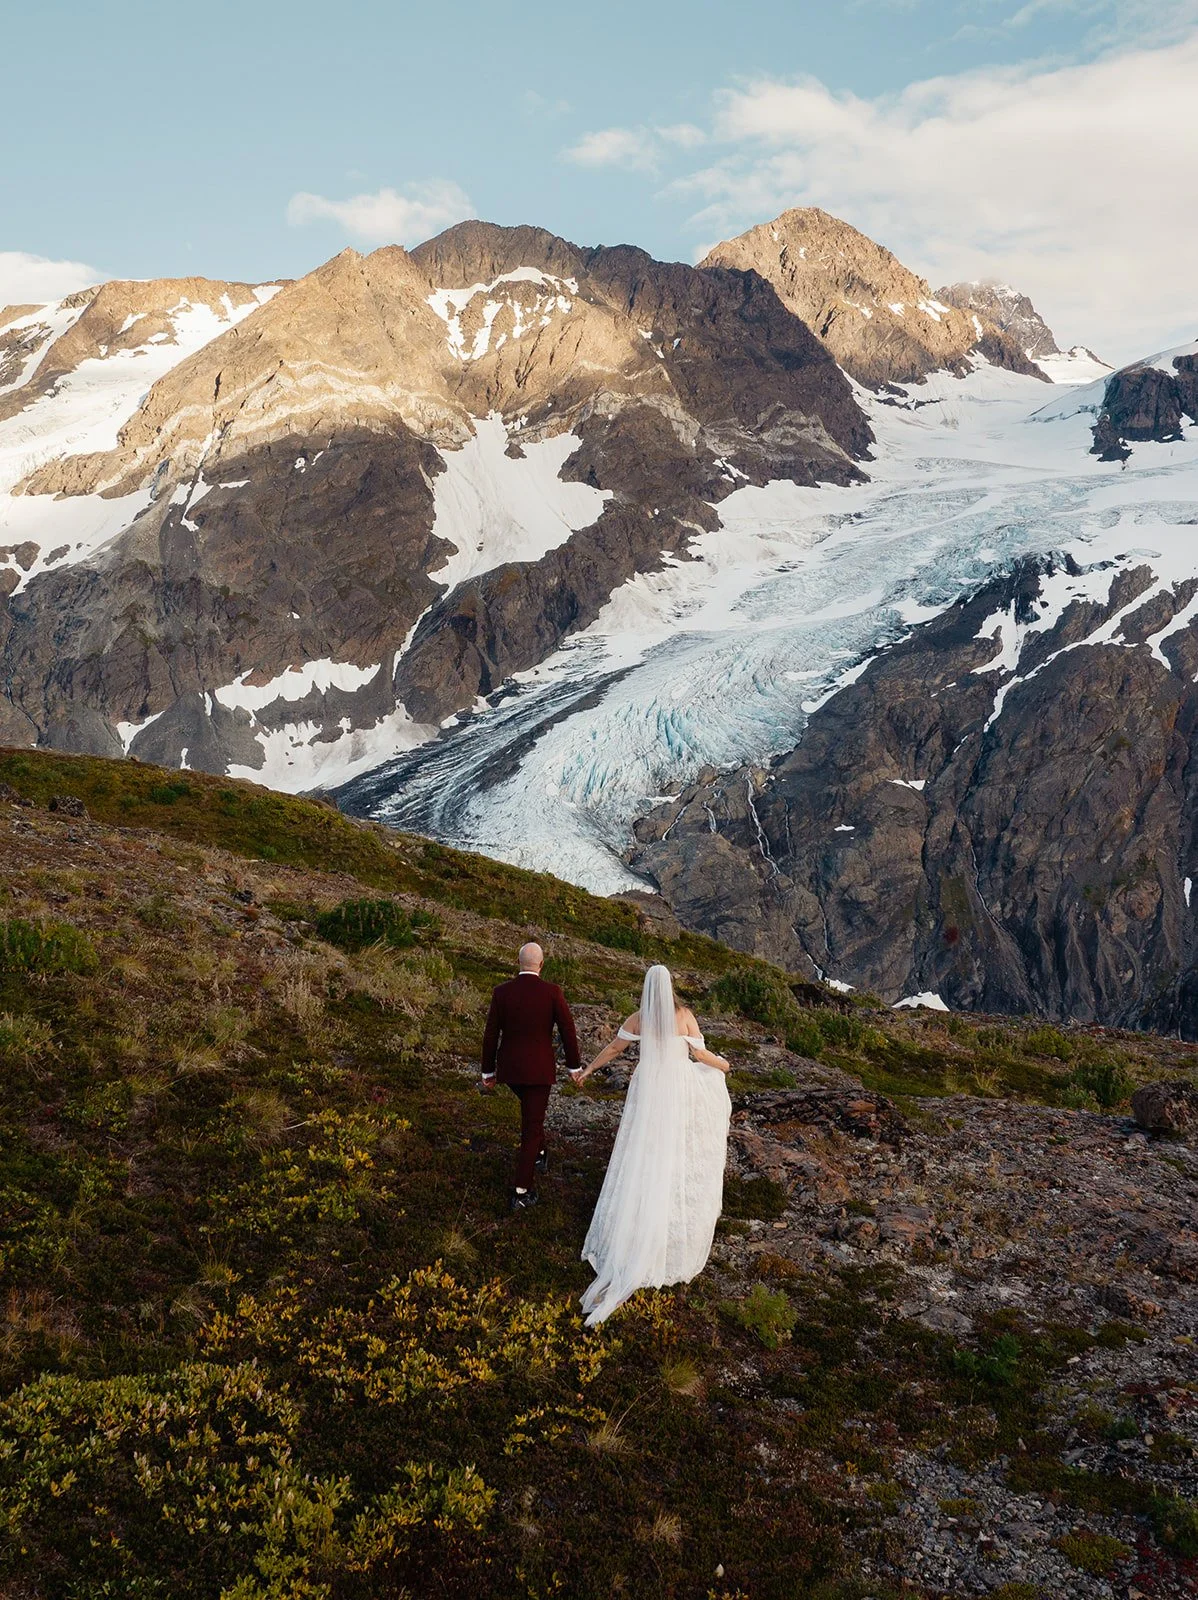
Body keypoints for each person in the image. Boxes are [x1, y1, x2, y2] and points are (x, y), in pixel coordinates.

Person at [573, 964, 731, 1325]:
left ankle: (633, 1227)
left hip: (647, 1090)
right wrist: (723, 1065)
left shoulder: (639, 1019)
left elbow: (614, 1049)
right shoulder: (684, 1016)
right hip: (675, 1090)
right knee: (672, 1152)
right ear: (669, 986)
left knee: (642, 1154)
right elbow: (701, 1056)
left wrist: (588, 1070)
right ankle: (664, 1227)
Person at [481, 942, 580, 1212]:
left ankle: (540, 1152)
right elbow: (567, 1029)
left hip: (510, 1071)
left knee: (533, 1119)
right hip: (538, 1072)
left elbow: (491, 1034)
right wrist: (574, 1067)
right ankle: (521, 1191)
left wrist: (487, 1071)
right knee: (531, 1126)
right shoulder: (552, 993)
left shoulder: (501, 993)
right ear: (541, 964)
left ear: (518, 961)